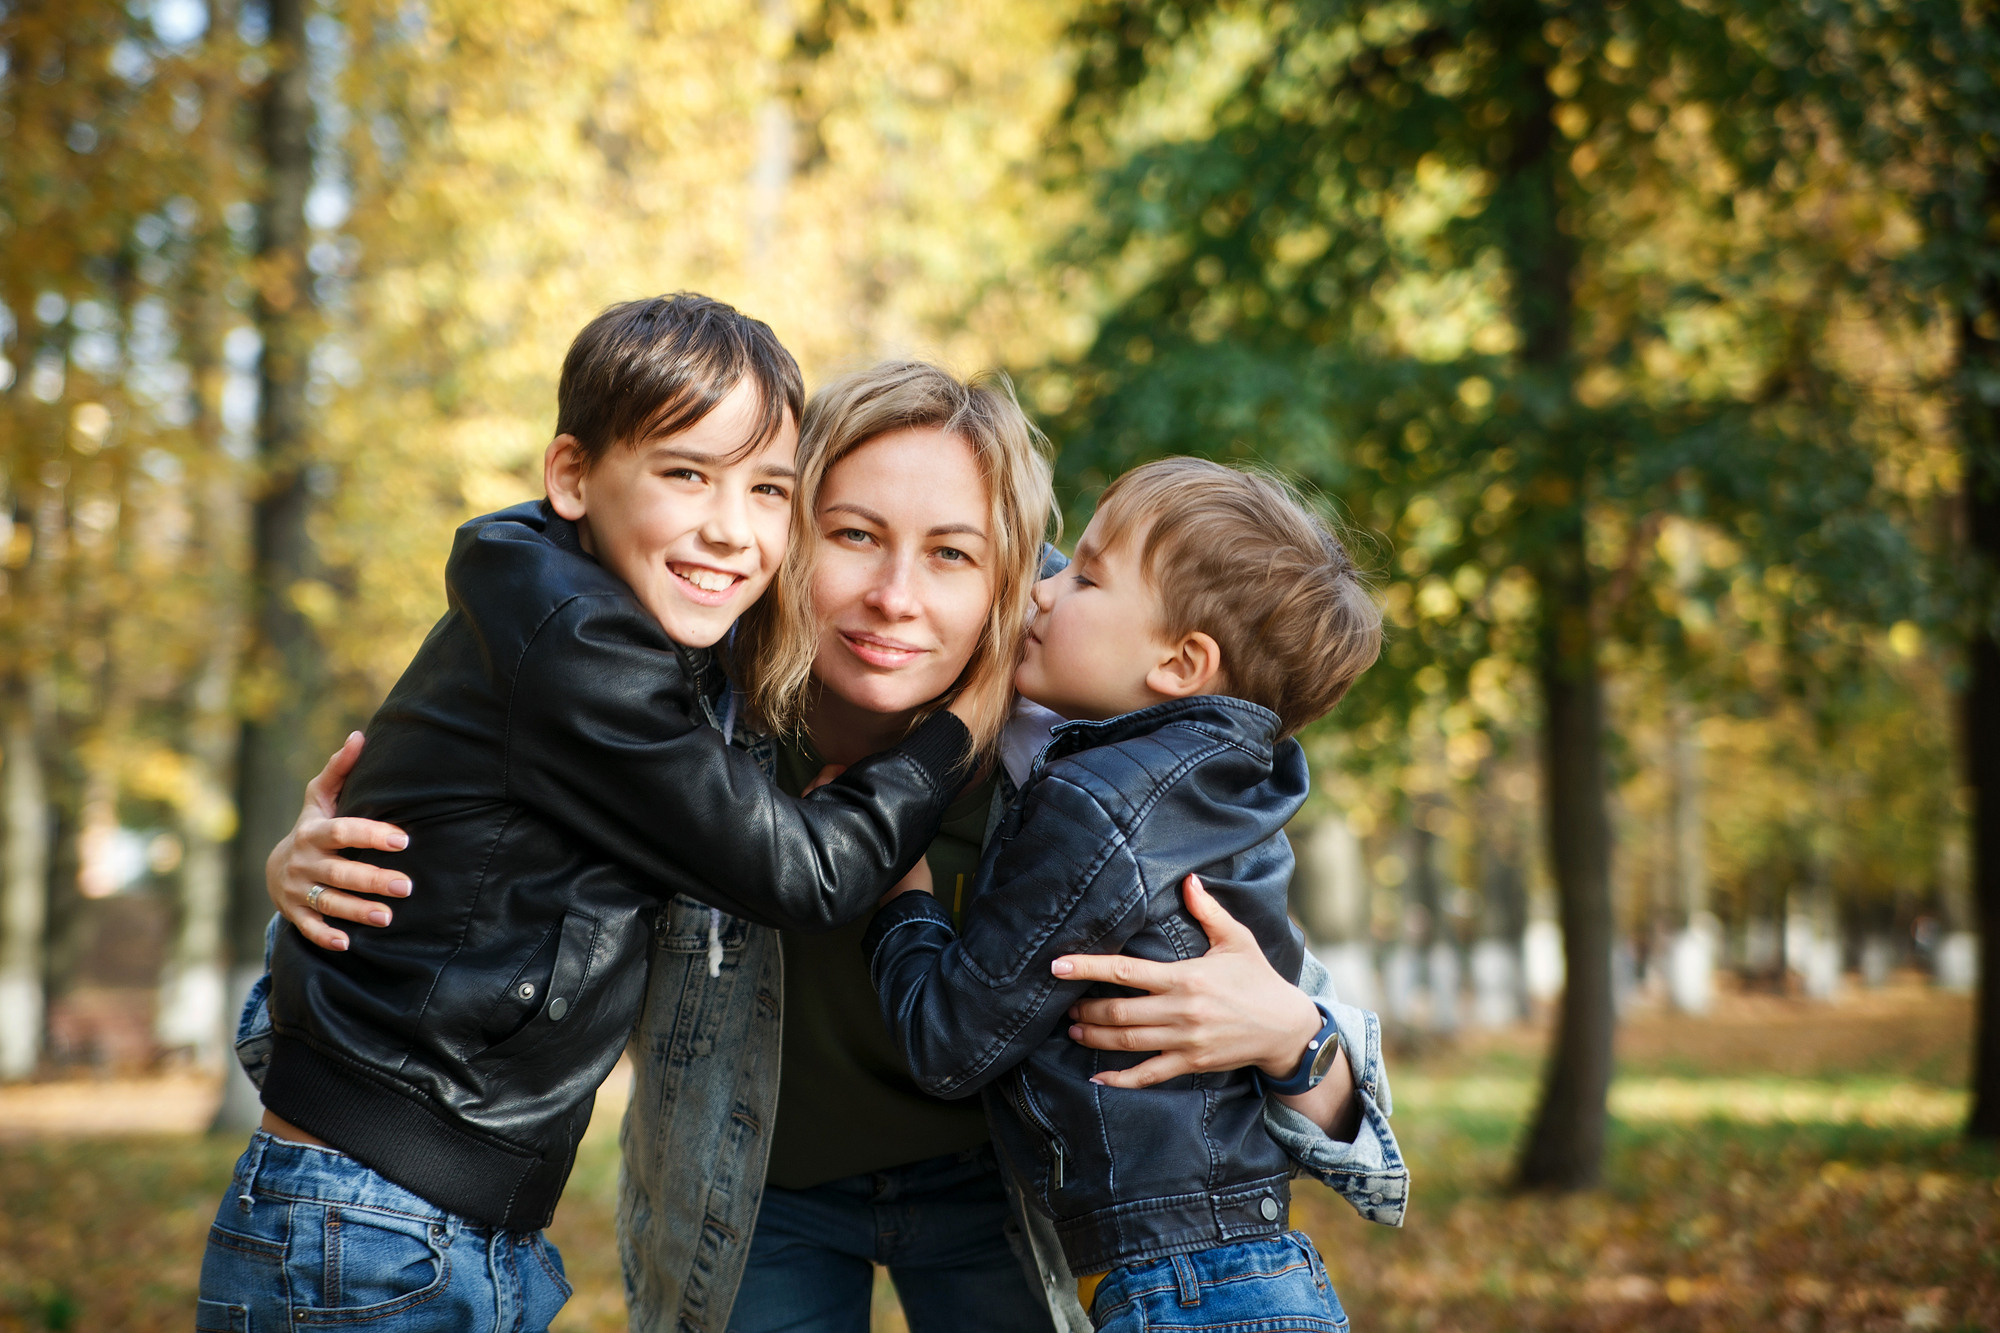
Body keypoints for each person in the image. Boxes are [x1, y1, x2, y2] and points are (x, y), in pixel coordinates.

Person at [262, 368, 1409, 1333]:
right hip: (752, 1194)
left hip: (1000, 1196)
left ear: (1016, 572)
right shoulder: (666, 709)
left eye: (953, 554)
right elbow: (466, 885)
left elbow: (1304, 1036)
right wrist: (307, 893)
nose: (893, 597)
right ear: (780, 532)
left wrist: (1298, 1043)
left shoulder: (1092, 735)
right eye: (851, 535)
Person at [196, 297, 989, 1333]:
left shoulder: (629, 624)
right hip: (374, 1221)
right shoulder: (581, 642)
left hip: (449, 1223)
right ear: (571, 475)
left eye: (765, 491)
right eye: (684, 474)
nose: (729, 527)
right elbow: (808, 872)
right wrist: (960, 729)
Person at [868, 457, 1386, 1331]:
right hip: (1250, 1268)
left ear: (1182, 663)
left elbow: (948, 1039)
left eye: (1087, 576)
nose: (1043, 590)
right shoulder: (1233, 782)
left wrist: (898, 888)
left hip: (1182, 1290)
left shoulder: (1100, 804)